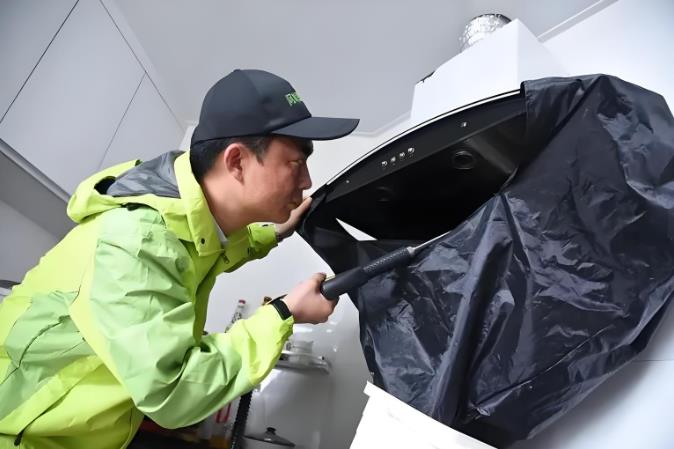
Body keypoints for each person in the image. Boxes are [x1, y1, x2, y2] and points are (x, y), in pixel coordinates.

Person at [0, 69, 359, 449]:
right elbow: (172, 391)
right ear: (237, 161)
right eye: (296, 163)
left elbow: (219, 248)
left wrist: (276, 232)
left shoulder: (180, 227)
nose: (306, 181)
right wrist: (284, 314)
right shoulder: (138, 241)